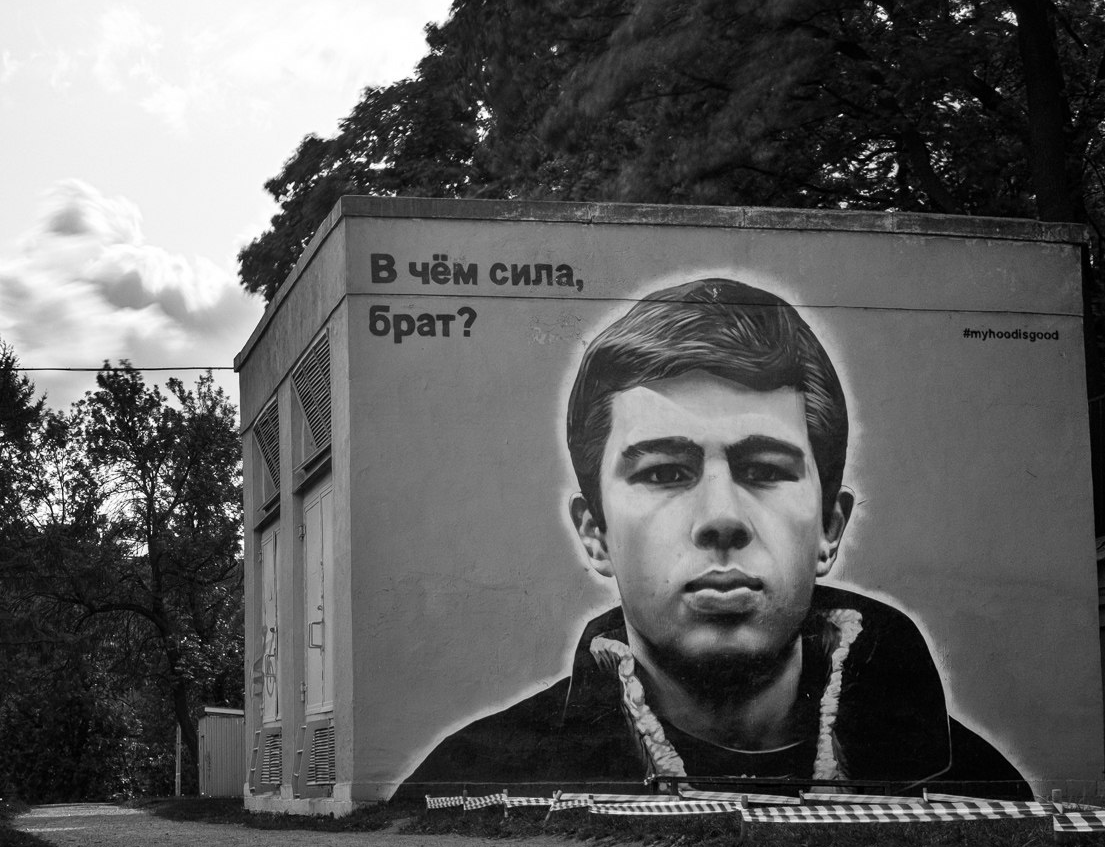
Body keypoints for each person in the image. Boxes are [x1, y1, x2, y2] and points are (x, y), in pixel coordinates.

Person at [406, 278, 1028, 796]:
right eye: (664, 473)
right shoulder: (465, 784)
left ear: (829, 528)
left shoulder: (979, 790)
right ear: (595, 533)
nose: (721, 518)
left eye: (764, 471)